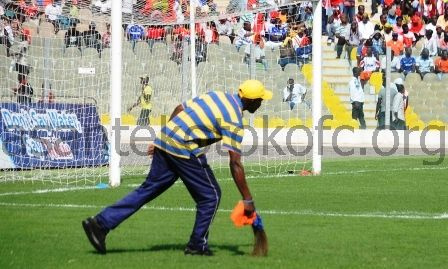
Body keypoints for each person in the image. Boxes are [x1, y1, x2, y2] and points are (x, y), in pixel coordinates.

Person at [82, 80, 273, 255]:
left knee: (148, 189)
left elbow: (180, 108)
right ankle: (197, 244)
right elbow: (235, 162)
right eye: (260, 100)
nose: (261, 103)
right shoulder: (233, 119)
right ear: (251, 100)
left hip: (167, 139)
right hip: (183, 147)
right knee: (211, 196)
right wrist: (247, 198)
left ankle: (100, 224)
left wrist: (162, 137)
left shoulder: (216, 95)